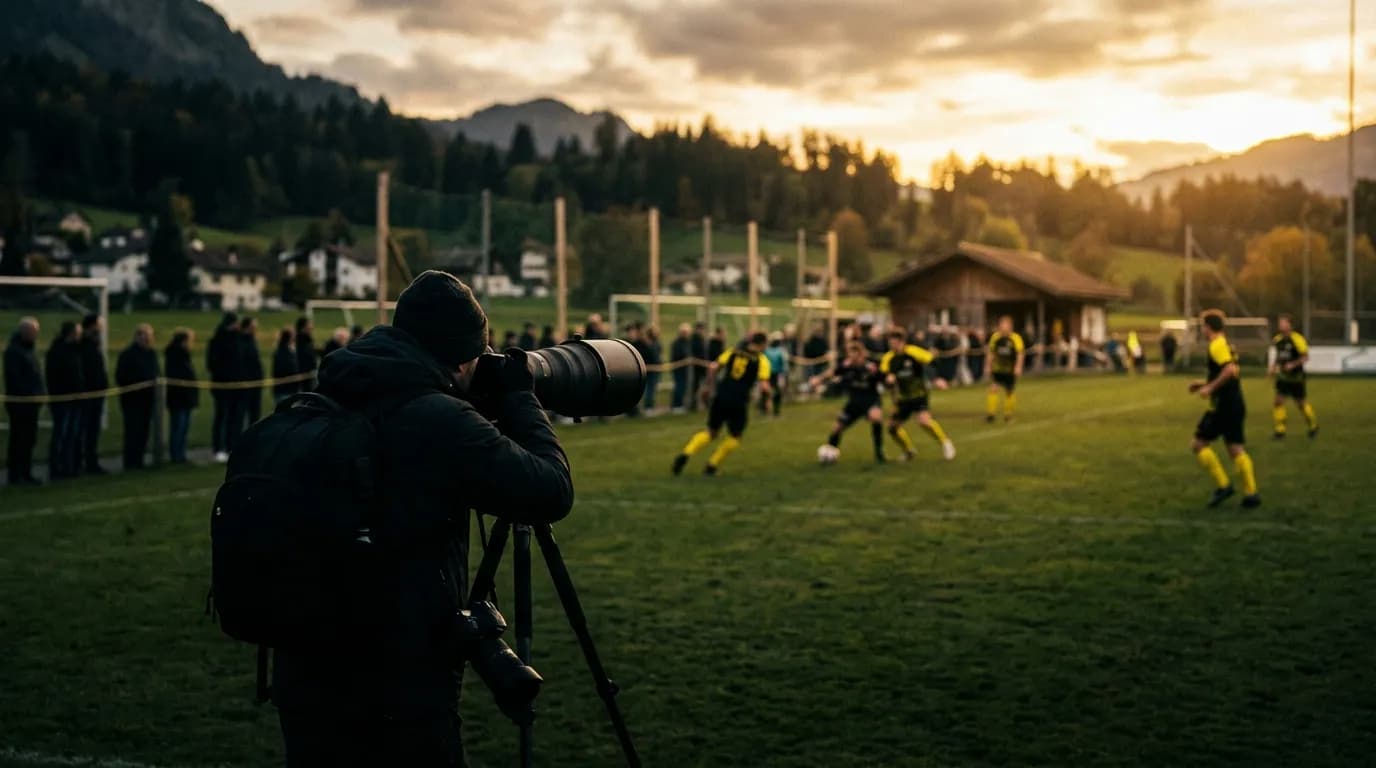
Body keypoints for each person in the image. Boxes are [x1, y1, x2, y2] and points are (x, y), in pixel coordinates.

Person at [272, 270, 572, 767]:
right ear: (460, 356)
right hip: (400, 683)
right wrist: (521, 398)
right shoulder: (438, 418)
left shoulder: (336, 392)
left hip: (305, 670)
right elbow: (550, 490)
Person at [672, 331, 772, 476]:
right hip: (739, 400)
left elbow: (713, 367)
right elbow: (764, 386)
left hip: (721, 395)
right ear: (762, 344)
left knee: (711, 432)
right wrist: (768, 399)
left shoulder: (733, 351)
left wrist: (707, 386)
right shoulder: (761, 360)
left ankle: (686, 454)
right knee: (735, 436)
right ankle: (712, 465)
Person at [1189, 310, 1260, 508]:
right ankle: (1251, 494)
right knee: (1236, 449)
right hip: (1234, 403)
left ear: (1208, 327)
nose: (1202, 330)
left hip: (1224, 406)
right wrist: (1203, 383)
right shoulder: (1225, 343)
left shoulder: (1217, 345)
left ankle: (1224, 486)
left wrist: (1210, 387)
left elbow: (1229, 370)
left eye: (1203, 326)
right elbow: (1230, 371)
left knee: (1198, 444)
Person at [880, 329, 956, 461]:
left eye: (895, 343)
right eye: (890, 343)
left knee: (924, 421)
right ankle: (909, 450)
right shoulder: (889, 358)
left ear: (902, 342)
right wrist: (888, 379)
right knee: (892, 428)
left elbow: (932, 362)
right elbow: (883, 376)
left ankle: (946, 443)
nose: (892, 346)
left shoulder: (913, 352)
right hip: (902, 398)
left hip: (919, 394)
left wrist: (936, 379)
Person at [811, 341, 887, 463]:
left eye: (853, 354)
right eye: (849, 354)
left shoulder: (870, 367)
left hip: (870, 400)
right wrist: (819, 380)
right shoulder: (847, 365)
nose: (850, 357)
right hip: (854, 402)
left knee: (876, 417)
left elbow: (885, 378)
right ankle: (830, 452)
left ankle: (879, 452)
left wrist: (890, 382)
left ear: (861, 354)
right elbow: (832, 372)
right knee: (837, 428)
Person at [4, 317, 44, 485]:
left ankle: (26, 472)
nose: (35, 335)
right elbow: (14, 378)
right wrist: (29, 394)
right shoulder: (13, 351)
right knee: (18, 439)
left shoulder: (28, 350)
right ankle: (15, 474)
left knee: (29, 439)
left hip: (31, 403)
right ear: (25, 332)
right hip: (20, 404)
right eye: (33, 332)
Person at [115, 324, 159, 470]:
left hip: (148, 399)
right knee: (133, 431)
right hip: (132, 400)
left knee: (144, 432)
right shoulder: (128, 355)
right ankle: (130, 461)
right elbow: (121, 376)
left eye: (149, 336)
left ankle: (139, 460)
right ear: (137, 336)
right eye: (144, 335)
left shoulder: (151, 354)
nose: (147, 339)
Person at [45, 320, 85, 479]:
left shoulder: (74, 351)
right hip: (63, 400)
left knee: (71, 435)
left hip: (75, 399)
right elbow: (54, 377)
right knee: (61, 434)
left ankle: (68, 466)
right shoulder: (58, 351)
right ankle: (56, 467)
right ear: (72, 333)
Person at [1269, 314, 1318, 440]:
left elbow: (1305, 357)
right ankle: (1280, 430)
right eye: (1280, 323)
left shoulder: (1297, 339)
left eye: (1283, 323)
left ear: (1290, 325)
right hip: (1283, 377)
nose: (1281, 325)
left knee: (1301, 404)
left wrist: (1292, 364)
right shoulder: (1277, 340)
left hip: (1296, 377)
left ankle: (1313, 425)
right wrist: (1273, 366)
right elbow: (1279, 356)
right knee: (1278, 401)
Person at [207, 313, 242, 463]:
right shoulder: (218, 341)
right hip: (222, 384)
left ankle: (230, 446)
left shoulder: (235, 339)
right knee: (222, 417)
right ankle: (218, 448)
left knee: (232, 418)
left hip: (234, 384)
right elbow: (213, 364)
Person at [77, 313, 108, 474]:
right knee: (84, 430)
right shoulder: (84, 345)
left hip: (96, 394)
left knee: (92, 430)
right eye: (98, 325)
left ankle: (91, 461)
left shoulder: (94, 344)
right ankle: (80, 462)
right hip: (88, 394)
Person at [164, 329, 198, 464]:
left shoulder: (182, 355)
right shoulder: (176, 355)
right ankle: (176, 455)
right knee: (178, 426)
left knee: (182, 427)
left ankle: (180, 454)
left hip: (184, 397)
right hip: (179, 398)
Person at [985, 315, 1024, 423]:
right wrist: (988, 366)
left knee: (1009, 391)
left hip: (1010, 369)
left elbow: (1020, 354)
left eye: (1006, 324)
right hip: (997, 368)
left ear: (1010, 326)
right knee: (993, 388)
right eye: (1002, 324)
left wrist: (1018, 367)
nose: (1003, 327)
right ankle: (991, 415)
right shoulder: (995, 337)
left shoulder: (1015, 338)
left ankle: (1008, 415)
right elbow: (991, 352)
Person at [239, 317, 265, 430]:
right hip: (247, 384)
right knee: (242, 414)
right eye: (254, 326)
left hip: (255, 383)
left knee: (255, 415)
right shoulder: (242, 342)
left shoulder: (252, 341)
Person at [761, 331, 788, 416]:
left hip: (770, 374)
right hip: (772, 374)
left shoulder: (768, 351)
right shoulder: (779, 351)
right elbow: (783, 364)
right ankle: (772, 410)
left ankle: (768, 409)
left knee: (768, 391)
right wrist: (784, 373)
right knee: (773, 391)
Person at [272, 328, 300, 404]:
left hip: (287, 389)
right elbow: (290, 368)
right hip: (285, 390)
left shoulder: (284, 350)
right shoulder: (283, 352)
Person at [670, 323, 693, 412]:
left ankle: (680, 404)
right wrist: (685, 359)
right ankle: (676, 405)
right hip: (678, 368)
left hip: (685, 369)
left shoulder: (687, 342)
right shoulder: (676, 343)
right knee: (679, 387)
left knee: (683, 387)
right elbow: (676, 355)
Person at [642, 325, 662, 413]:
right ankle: (648, 407)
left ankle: (650, 406)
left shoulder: (657, 343)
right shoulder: (647, 344)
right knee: (649, 389)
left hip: (655, 369)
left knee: (652, 389)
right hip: (649, 369)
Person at [295, 317, 318, 390]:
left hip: (310, 375)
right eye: (309, 325)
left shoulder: (308, 340)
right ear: (303, 327)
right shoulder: (298, 341)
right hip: (303, 376)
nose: (312, 327)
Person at [689, 322, 709, 410]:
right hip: (697, 366)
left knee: (704, 385)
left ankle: (703, 403)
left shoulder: (701, 339)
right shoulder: (694, 339)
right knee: (695, 386)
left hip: (702, 365)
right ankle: (693, 404)